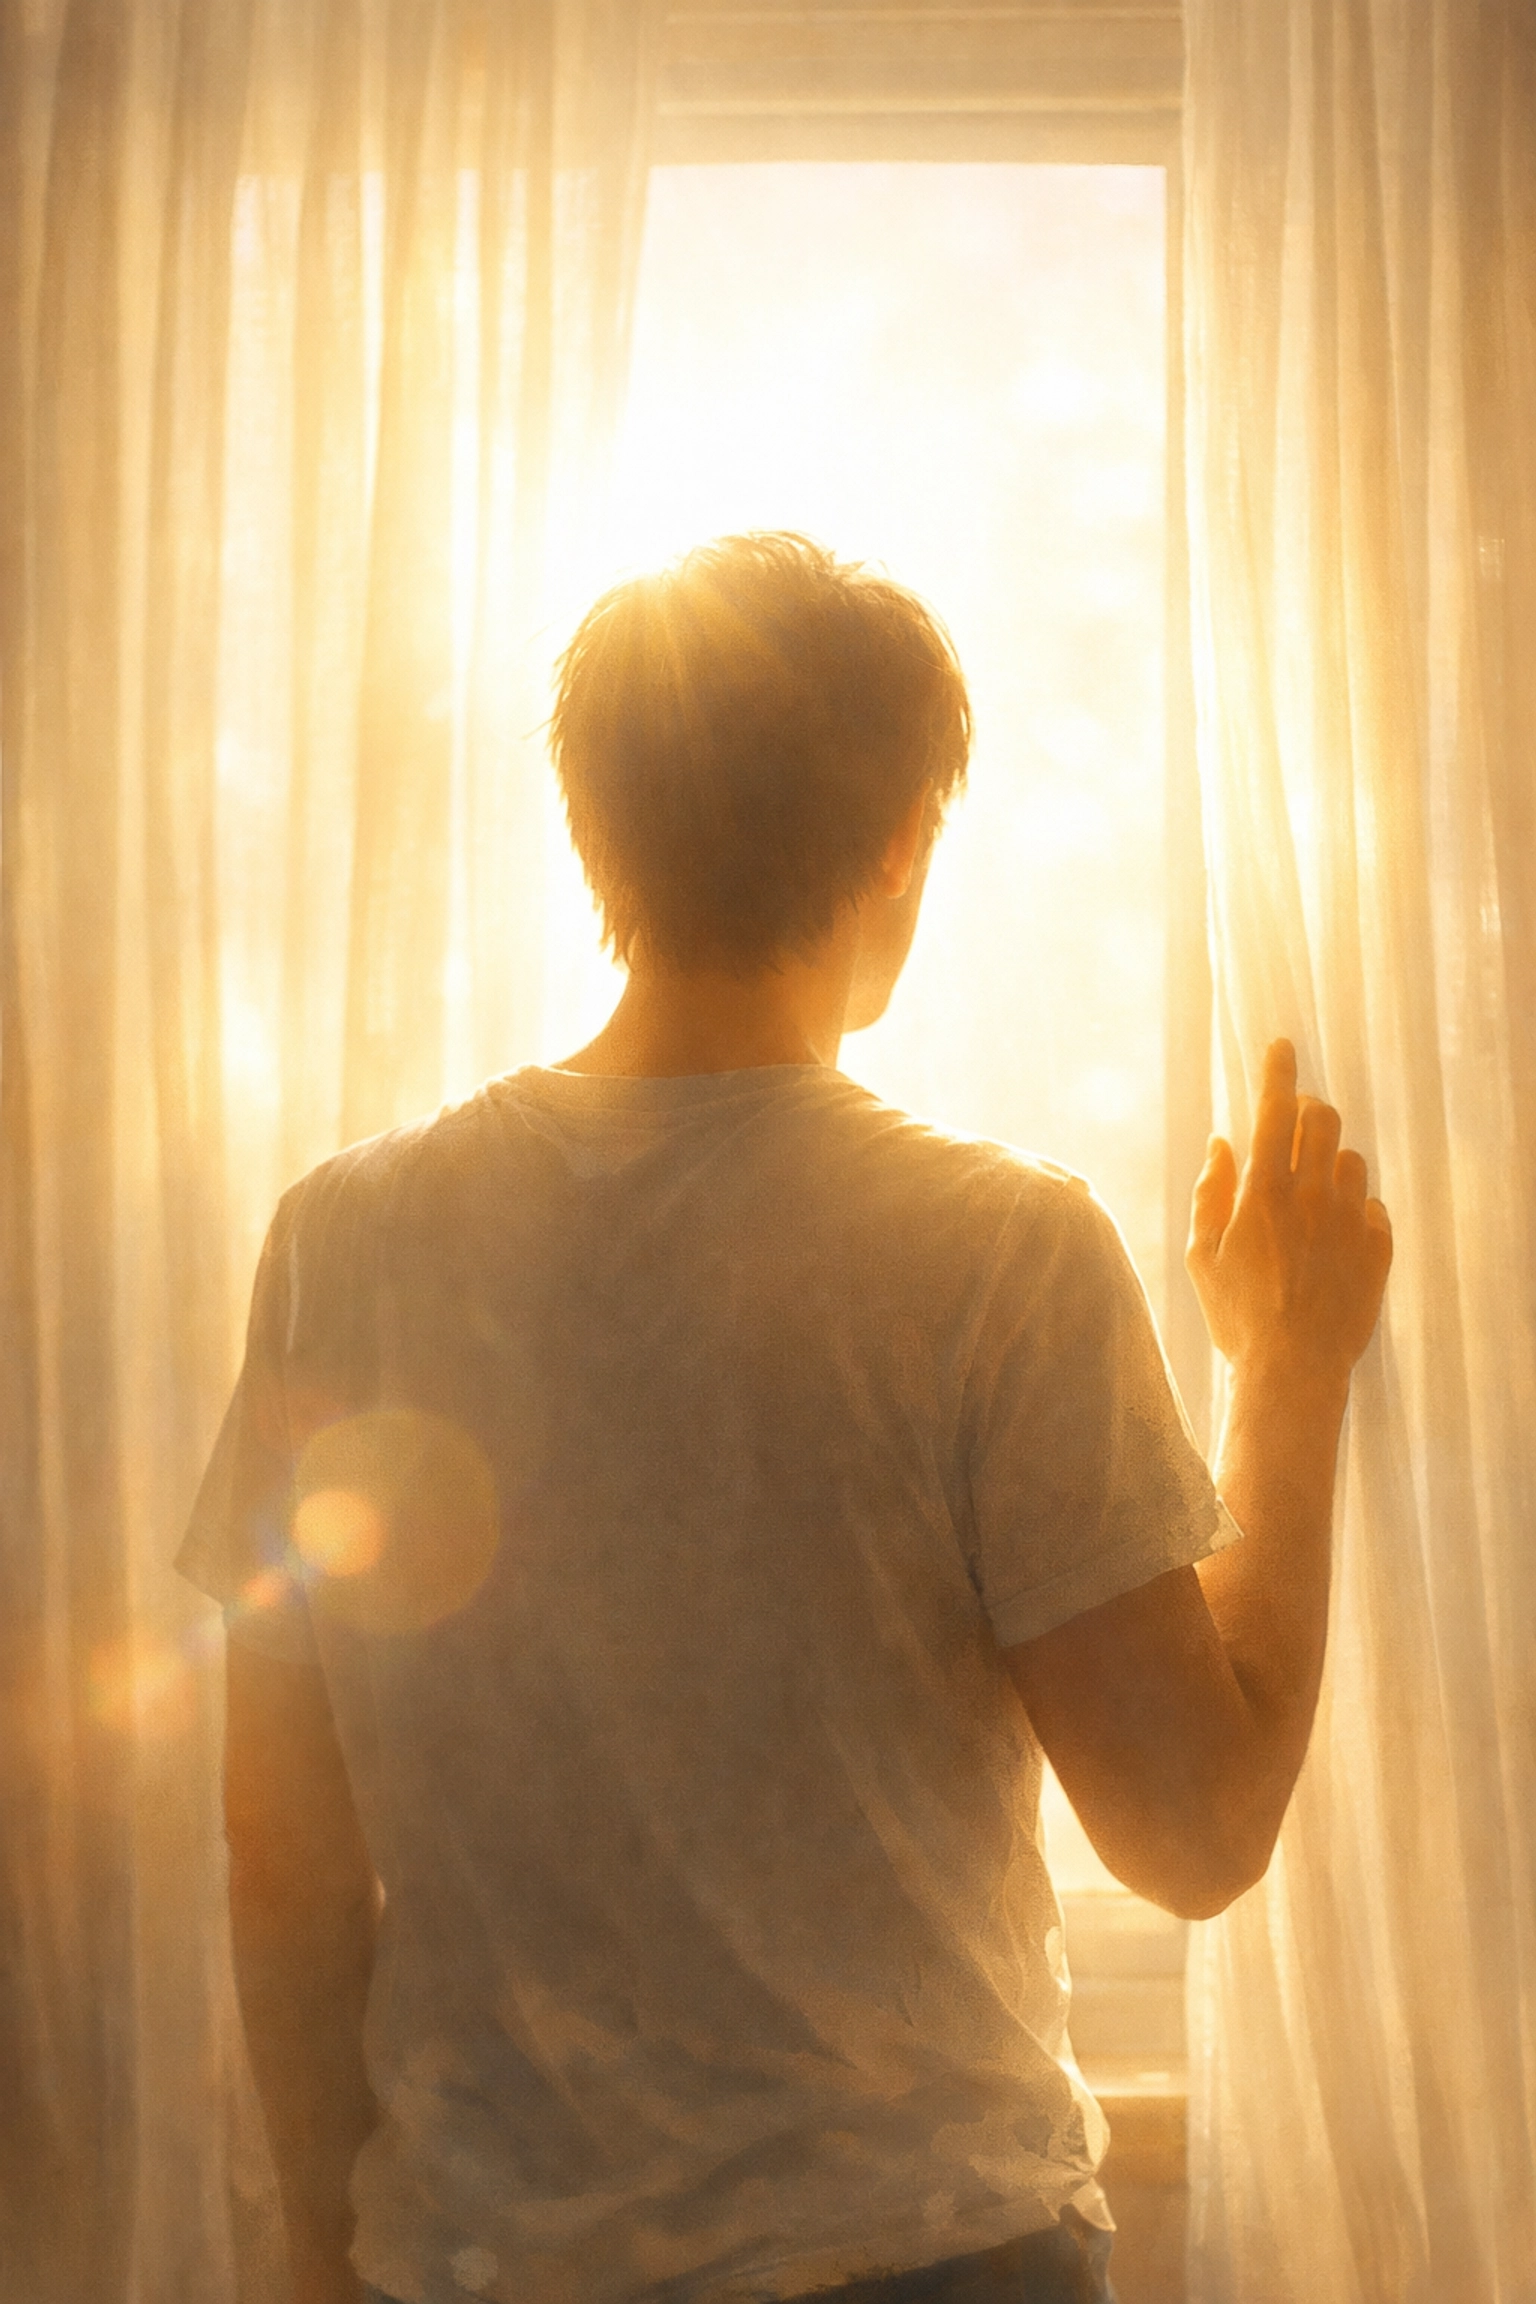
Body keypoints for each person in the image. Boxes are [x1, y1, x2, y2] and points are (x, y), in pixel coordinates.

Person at [179, 533, 1393, 2304]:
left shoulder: (341, 1239)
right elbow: (1196, 1832)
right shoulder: (995, 1250)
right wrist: (1287, 1375)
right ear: (901, 842)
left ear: (593, 832)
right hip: (926, 2257)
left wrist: (320, 2250)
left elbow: (285, 1846)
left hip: (471, 2262)